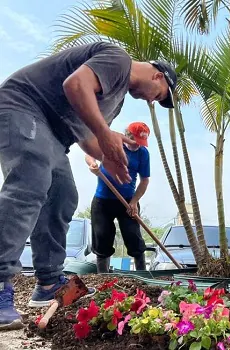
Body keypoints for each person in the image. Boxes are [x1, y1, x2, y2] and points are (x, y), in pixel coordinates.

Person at [0, 42, 177, 330]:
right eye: (160, 96)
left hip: (53, 133)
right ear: (158, 75)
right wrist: (106, 135)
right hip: (23, 106)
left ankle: (48, 282)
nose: (152, 101)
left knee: (62, 195)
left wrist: (111, 156)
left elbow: (86, 137)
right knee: (29, 185)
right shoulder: (119, 60)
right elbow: (75, 85)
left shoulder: (116, 100)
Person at [86, 122, 151, 273]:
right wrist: (93, 164)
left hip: (128, 202)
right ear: (127, 136)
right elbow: (89, 153)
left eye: (141, 143)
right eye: (135, 142)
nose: (137, 146)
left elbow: (145, 180)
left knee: (133, 236)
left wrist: (134, 202)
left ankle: (142, 276)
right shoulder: (112, 143)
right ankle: (103, 276)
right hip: (102, 201)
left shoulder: (143, 153)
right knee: (102, 236)